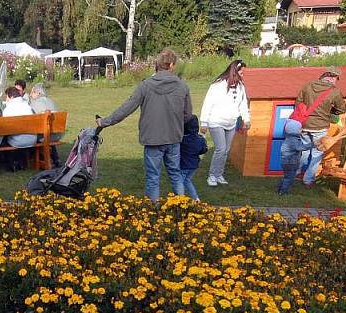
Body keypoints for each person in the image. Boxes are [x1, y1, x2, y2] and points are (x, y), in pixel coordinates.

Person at [97, 48, 193, 202]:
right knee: (175, 174)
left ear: (158, 64)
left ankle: (152, 211)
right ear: (172, 65)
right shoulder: (182, 86)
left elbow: (126, 108)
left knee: (153, 177)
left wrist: (104, 122)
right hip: (173, 138)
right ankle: (181, 208)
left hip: (152, 139)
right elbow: (188, 115)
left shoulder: (145, 85)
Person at [199, 59, 250, 187]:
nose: (243, 75)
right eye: (241, 72)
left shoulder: (240, 87)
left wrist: (246, 119)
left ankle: (219, 174)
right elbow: (208, 103)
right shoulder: (218, 85)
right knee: (221, 149)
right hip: (216, 121)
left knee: (226, 150)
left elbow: (243, 104)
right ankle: (212, 175)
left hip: (231, 123)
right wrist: (204, 122)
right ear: (235, 71)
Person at [294, 67, 346, 189]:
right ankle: (308, 180)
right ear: (333, 78)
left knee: (304, 150)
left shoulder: (307, 85)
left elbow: (298, 103)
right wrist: (329, 110)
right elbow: (341, 109)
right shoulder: (335, 91)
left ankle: (296, 173)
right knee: (317, 153)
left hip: (304, 125)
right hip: (320, 127)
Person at [1, 87, 37, 171]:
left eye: (7, 97)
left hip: (17, 141)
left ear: (11, 97)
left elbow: (4, 129)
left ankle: (12, 163)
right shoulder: (28, 106)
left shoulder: (8, 109)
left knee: (5, 138)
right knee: (19, 135)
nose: (6, 99)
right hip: (32, 139)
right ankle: (21, 162)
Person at [29, 83, 62, 168]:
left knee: (33, 134)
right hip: (57, 135)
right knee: (47, 131)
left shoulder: (34, 104)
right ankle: (56, 159)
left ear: (38, 93)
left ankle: (31, 158)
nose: (30, 95)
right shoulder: (52, 102)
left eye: (32, 92)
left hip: (44, 136)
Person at [180, 115, 208, 201]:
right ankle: (195, 198)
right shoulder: (200, 139)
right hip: (194, 165)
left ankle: (180, 200)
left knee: (179, 182)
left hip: (183, 165)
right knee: (187, 180)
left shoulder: (182, 139)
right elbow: (203, 150)